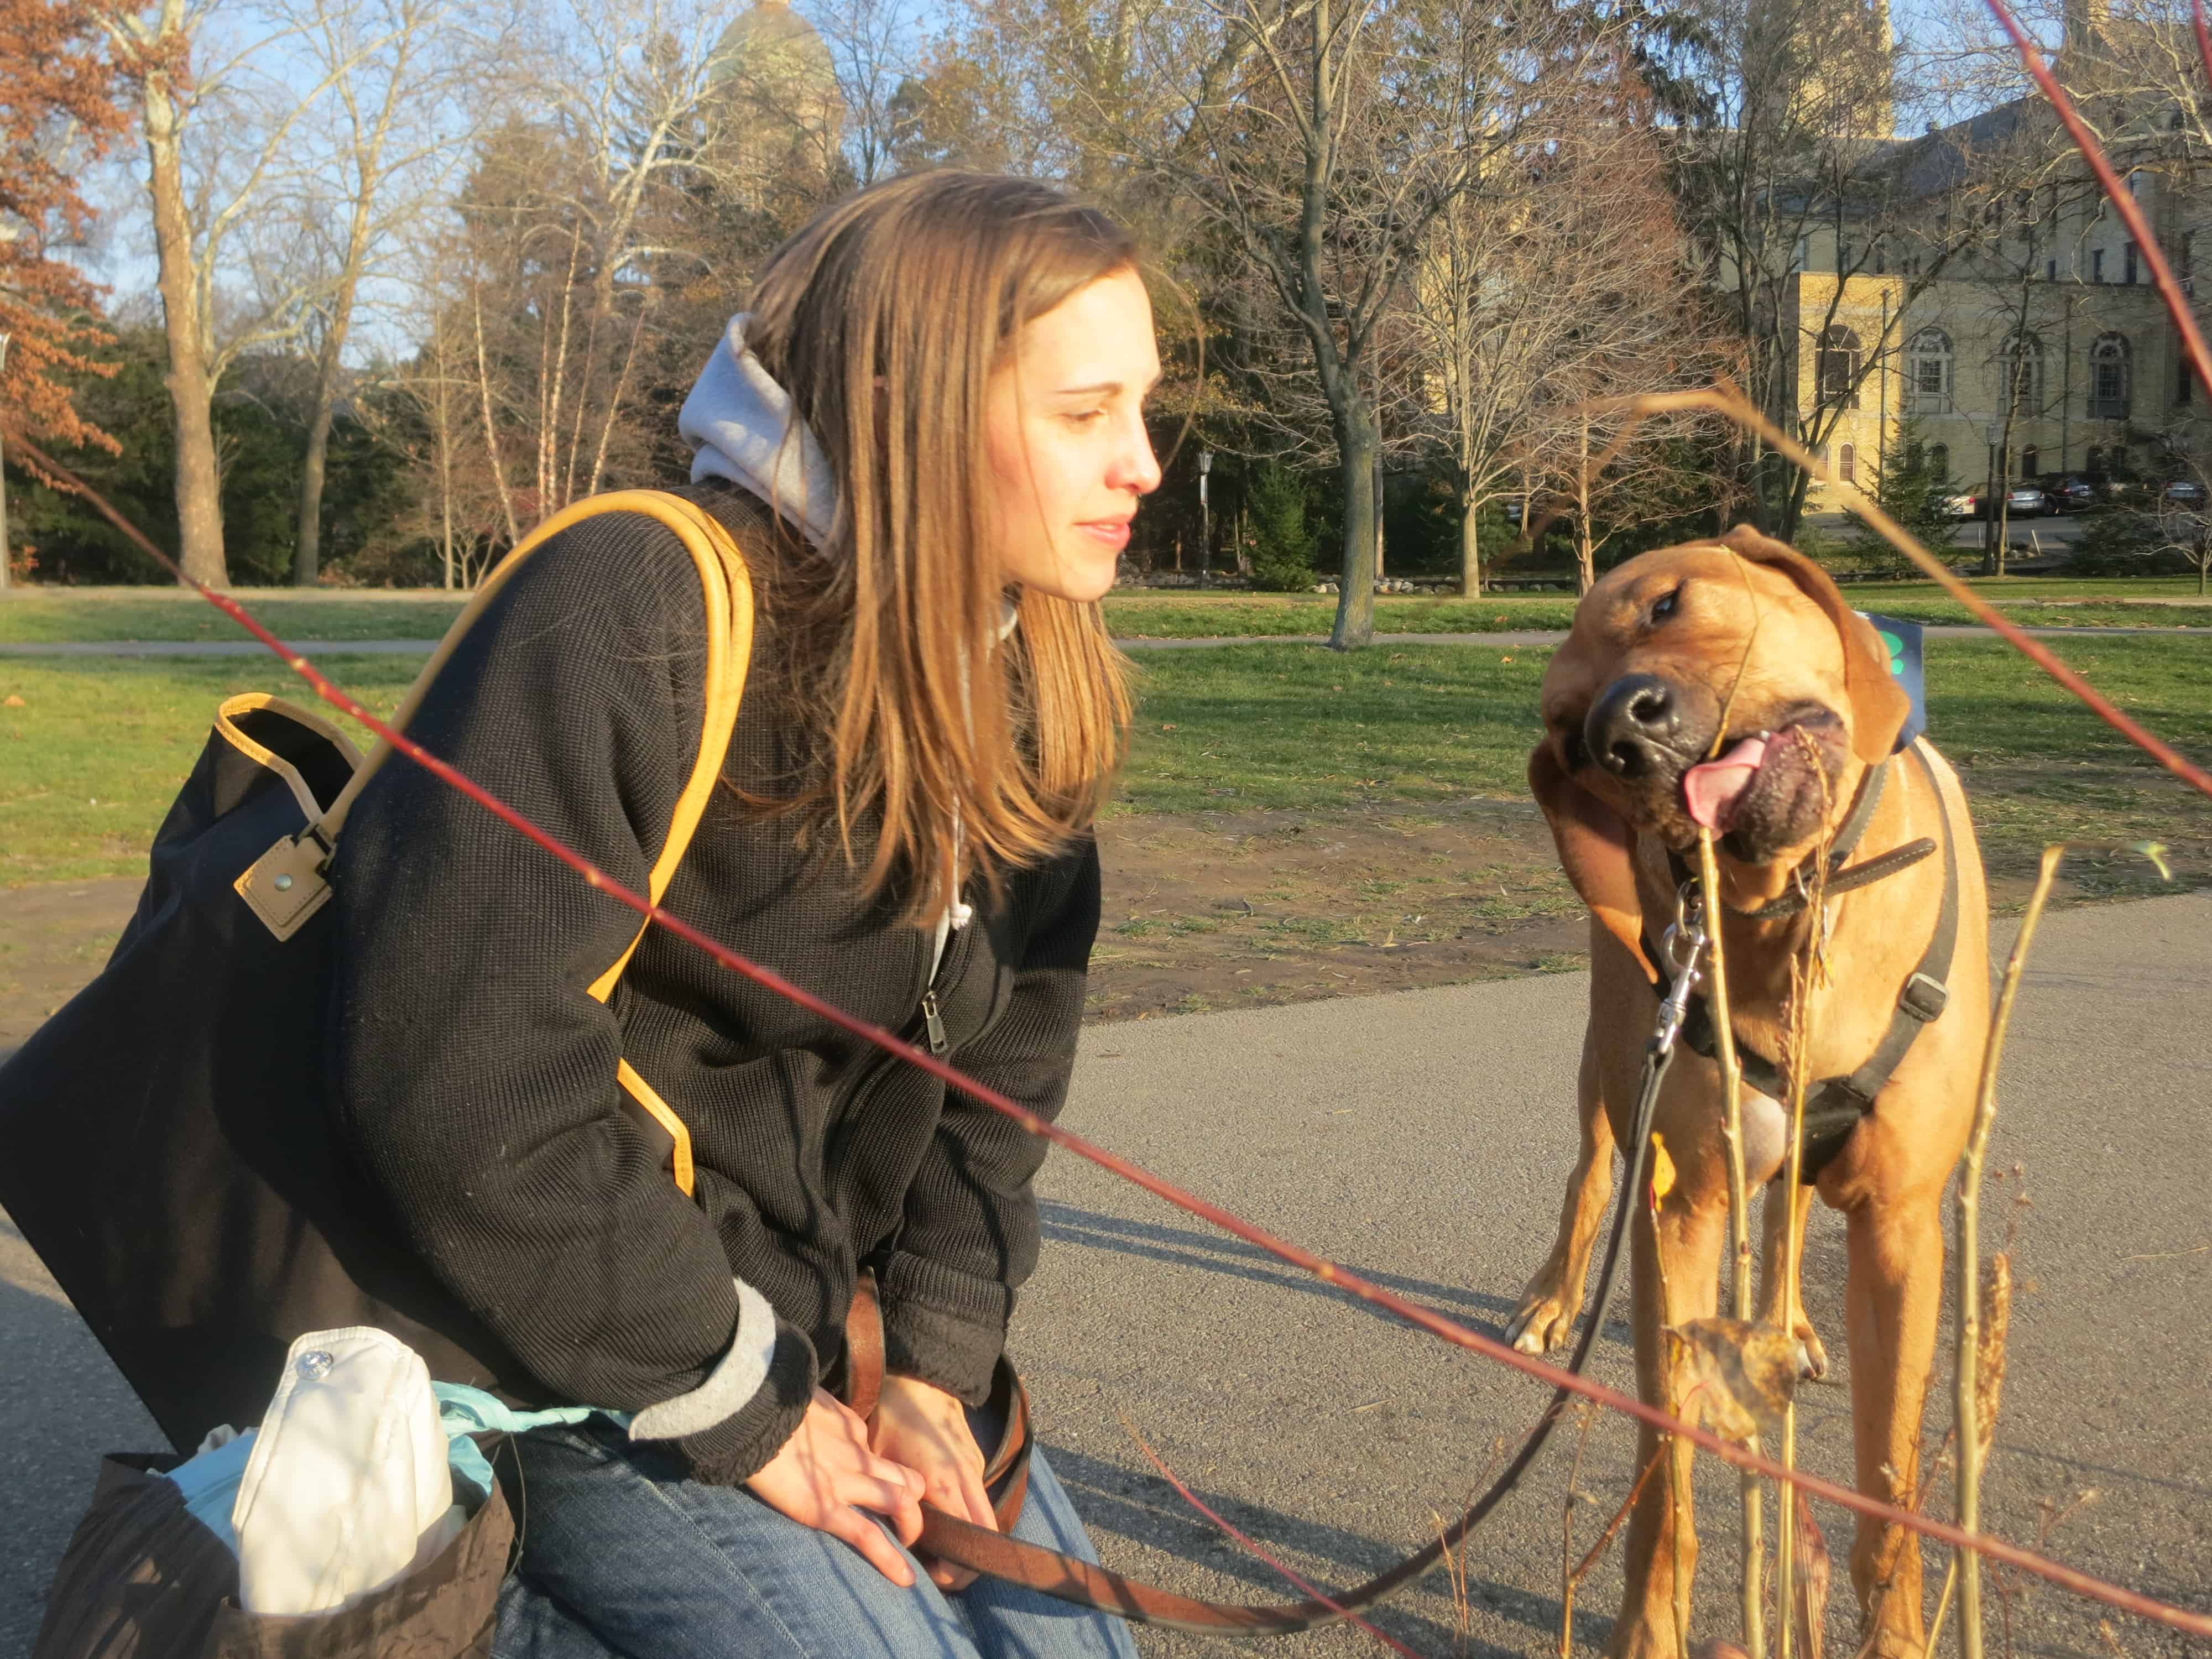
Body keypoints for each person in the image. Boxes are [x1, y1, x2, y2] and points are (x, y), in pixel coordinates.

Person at [327, 170, 1162, 1657]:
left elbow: (1003, 1085)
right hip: (555, 1338)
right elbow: (459, 1084)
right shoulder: (632, 602)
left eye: (1142, 410)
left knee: (1067, 1646)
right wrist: (736, 1401)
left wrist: (929, 1361)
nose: (1144, 464)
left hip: (815, 1328)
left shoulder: (1026, 679)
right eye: (1085, 414)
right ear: (909, 405)